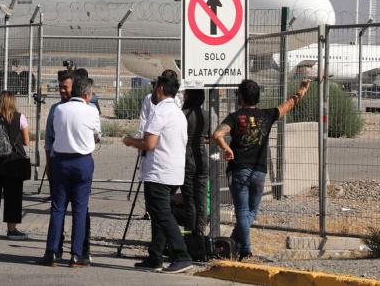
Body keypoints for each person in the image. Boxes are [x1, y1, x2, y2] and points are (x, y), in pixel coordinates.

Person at [213, 78, 311, 261]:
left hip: (239, 169)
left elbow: (218, 135)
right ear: (258, 97)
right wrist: (302, 89)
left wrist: (226, 149)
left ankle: (244, 249)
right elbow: (290, 104)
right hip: (259, 171)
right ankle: (236, 244)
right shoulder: (268, 114)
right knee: (251, 212)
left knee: (242, 212)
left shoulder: (235, 117)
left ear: (240, 97)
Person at [124, 75, 192, 274]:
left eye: (155, 87)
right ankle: (155, 256)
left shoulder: (160, 112)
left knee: (162, 214)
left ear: (160, 88)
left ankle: (182, 255)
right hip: (173, 172)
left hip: (159, 172)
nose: (153, 91)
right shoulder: (178, 113)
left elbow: (149, 144)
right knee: (158, 214)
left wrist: (130, 141)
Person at [40, 76, 101, 268]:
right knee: (80, 209)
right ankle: (77, 254)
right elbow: (97, 136)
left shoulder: (58, 109)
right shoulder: (91, 110)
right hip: (82, 161)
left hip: (61, 161)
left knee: (58, 207)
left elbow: (55, 132)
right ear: (87, 94)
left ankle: (52, 251)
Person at [0, 91, 30, 239]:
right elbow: (26, 141)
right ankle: (12, 228)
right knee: (13, 195)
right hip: (14, 161)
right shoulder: (20, 117)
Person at [181, 89, 209, 239]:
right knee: (201, 199)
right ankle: (200, 234)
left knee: (189, 199)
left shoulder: (183, 115)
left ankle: (188, 235)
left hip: (186, 158)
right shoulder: (207, 115)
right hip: (202, 157)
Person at [138, 69, 182, 136]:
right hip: (152, 136)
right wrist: (142, 135)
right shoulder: (149, 98)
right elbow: (144, 119)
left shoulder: (177, 99)